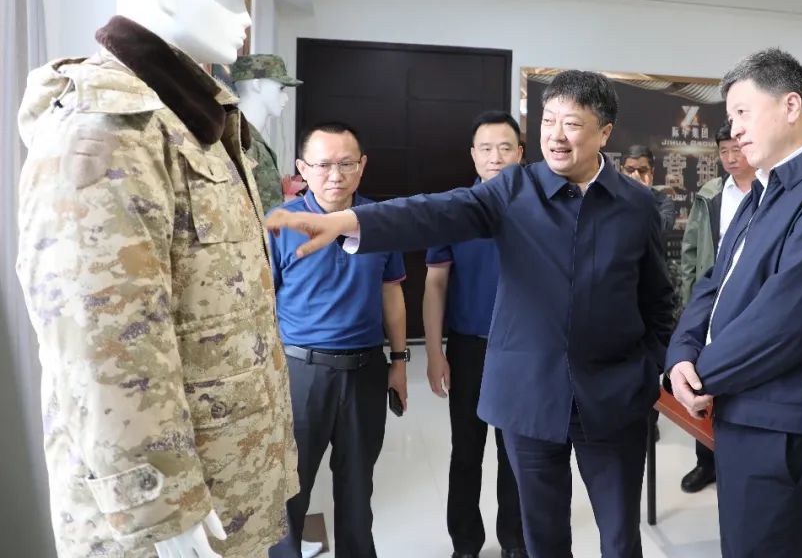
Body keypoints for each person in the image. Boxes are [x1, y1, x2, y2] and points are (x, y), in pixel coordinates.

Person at [267, 70, 675, 558]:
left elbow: (658, 299)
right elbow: (435, 211)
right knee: (543, 538)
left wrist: (646, 370)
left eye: (572, 124)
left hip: (612, 397)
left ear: (604, 132)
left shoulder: (637, 205)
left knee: (620, 537)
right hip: (529, 394)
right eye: (548, 121)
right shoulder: (515, 189)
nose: (556, 136)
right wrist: (350, 221)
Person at [16, 0, 297, 558]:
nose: (245, 18)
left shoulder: (191, 119)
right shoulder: (108, 126)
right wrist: (161, 507)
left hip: (222, 482)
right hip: (163, 518)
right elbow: (100, 338)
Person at [666, 49, 802, 558]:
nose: (734, 128)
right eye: (730, 116)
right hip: (742, 400)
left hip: (782, 414)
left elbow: (788, 319)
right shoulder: (764, 188)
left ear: (790, 105)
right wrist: (680, 355)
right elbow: (714, 281)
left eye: (743, 111)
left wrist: (700, 376)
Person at [268, 123, 408, 558]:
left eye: (346, 164)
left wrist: (399, 361)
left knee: (357, 488)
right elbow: (260, 304)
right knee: (289, 489)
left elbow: (391, 293)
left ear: (362, 166)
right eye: (324, 164)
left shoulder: (381, 221)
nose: (335, 175)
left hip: (365, 371)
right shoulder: (280, 224)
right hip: (300, 372)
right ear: (302, 168)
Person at [423, 111, 527, 558]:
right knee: (466, 450)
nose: (495, 157)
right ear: (473, 155)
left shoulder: (537, 210)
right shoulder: (455, 209)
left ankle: (515, 542)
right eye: (486, 148)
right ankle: (465, 543)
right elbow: (435, 283)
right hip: (469, 349)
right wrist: (434, 352)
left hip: (523, 351)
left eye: (505, 148)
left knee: (516, 452)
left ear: (520, 153)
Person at [675, 123, 754, 494]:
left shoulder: (772, 190)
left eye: (736, 149)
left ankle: (739, 462)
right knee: (703, 378)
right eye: (724, 151)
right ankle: (705, 461)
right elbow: (691, 250)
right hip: (711, 298)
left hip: (751, 301)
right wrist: (689, 302)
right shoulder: (711, 193)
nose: (731, 158)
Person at [232, 53, 303, 212]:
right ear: (257, 85)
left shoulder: (244, 135)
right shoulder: (241, 140)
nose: (286, 98)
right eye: (281, 88)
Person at [621, 145, 676, 231]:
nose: (636, 176)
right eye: (630, 170)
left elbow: (662, 229)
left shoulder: (664, 201)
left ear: (652, 172)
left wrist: (644, 196)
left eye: (642, 171)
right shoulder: (612, 196)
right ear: (621, 170)